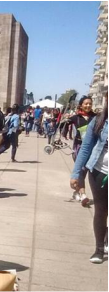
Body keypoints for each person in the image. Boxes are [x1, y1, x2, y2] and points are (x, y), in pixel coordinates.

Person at [70, 95, 107, 264]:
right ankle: (99, 249)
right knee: (101, 211)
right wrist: (76, 173)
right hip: (99, 172)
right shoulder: (99, 120)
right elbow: (85, 148)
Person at [65, 96, 96, 205]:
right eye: (86, 103)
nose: (88, 105)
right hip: (79, 147)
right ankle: (83, 194)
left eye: (90, 104)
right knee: (81, 170)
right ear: (81, 105)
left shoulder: (96, 117)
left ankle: (77, 191)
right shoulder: (76, 117)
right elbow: (64, 126)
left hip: (93, 148)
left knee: (88, 171)